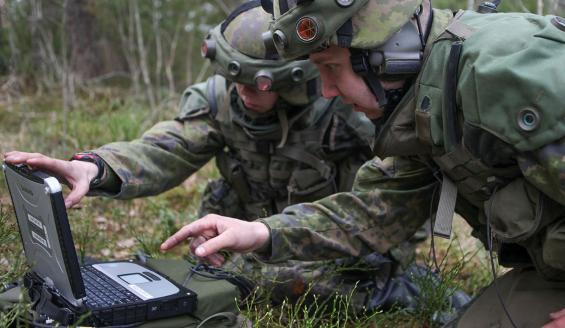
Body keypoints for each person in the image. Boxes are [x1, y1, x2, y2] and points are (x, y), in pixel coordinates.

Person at [3, 2, 440, 315]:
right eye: (234, 81)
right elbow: (166, 147)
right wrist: (96, 167)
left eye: (255, 85)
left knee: (279, 286)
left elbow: (398, 198)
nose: (242, 95)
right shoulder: (225, 102)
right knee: (209, 277)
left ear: (291, 79)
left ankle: (397, 290)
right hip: (248, 233)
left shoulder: (351, 109)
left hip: (333, 241)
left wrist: (392, 252)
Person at [156, 0, 565, 327]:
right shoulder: (426, 102)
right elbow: (373, 211)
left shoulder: (498, 73)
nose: (328, 92)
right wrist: (260, 233)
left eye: (332, 69)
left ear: (389, 54)